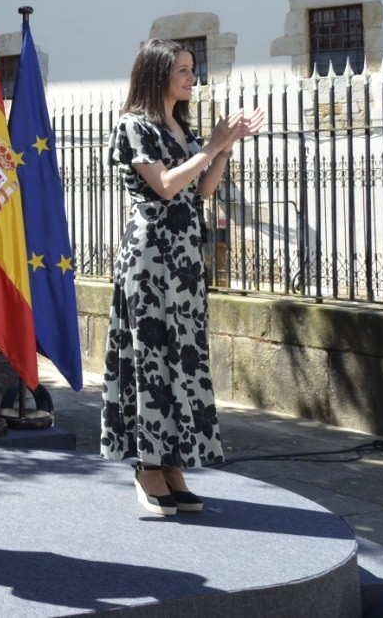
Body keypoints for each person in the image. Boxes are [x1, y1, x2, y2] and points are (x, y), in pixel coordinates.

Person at [99, 39, 263, 515]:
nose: (194, 78)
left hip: (186, 259)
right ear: (158, 74)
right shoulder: (134, 126)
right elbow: (167, 187)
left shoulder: (179, 126)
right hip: (150, 257)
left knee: (182, 357)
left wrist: (224, 148)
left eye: (194, 69)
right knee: (150, 354)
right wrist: (212, 143)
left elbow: (202, 189)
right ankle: (147, 463)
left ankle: (171, 462)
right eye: (184, 70)